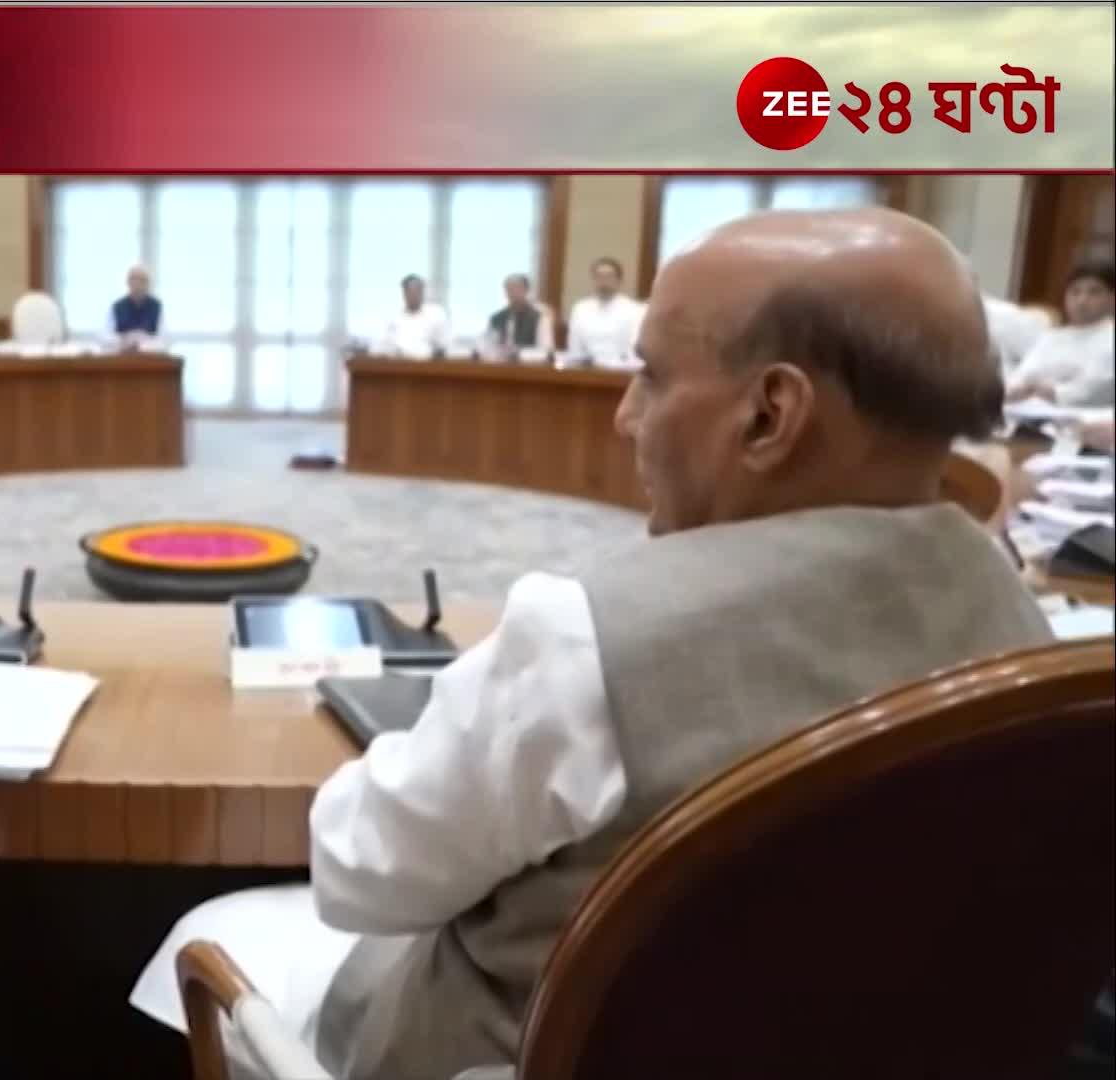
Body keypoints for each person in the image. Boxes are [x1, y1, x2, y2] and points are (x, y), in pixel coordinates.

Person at [128, 207, 1053, 1079]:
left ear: (770, 414)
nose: (624, 416)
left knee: (216, 932)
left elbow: (361, 873)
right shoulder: (1023, 624)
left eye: (652, 377)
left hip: (533, 1054)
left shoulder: (590, 637)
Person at [1007, 260, 1116, 407]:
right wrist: (1020, 389)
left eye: (1094, 292)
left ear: (1112, 299)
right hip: (1029, 409)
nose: (1082, 301)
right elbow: (1021, 377)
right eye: (1075, 292)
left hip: (1086, 416)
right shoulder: (1052, 337)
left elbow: (1090, 392)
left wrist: (1043, 390)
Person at [566, 256, 645, 368]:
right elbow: (575, 349)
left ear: (619, 280)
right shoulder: (580, 308)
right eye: (599, 276)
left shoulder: (635, 310)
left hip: (622, 369)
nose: (603, 281)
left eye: (609, 276)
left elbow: (634, 351)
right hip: (587, 370)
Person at [376, 274, 451, 359]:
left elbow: (443, 346)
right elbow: (385, 346)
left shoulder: (436, 315)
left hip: (427, 364)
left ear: (422, 292)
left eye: (417, 291)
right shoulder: (394, 318)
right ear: (404, 293)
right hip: (398, 363)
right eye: (410, 291)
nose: (414, 295)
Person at [485, 273, 555, 358]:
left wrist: (519, 353)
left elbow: (546, 350)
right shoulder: (496, 318)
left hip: (529, 363)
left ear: (527, 291)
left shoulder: (539, 317)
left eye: (517, 289)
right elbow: (488, 346)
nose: (512, 293)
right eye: (509, 289)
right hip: (499, 363)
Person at [111, 264, 163, 350]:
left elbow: (162, 337)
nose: (137, 283)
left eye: (141, 280)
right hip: (123, 352)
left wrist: (143, 343)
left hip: (149, 353)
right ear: (128, 282)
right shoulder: (117, 306)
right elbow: (107, 335)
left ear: (148, 283)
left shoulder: (157, 306)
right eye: (134, 279)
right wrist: (125, 341)